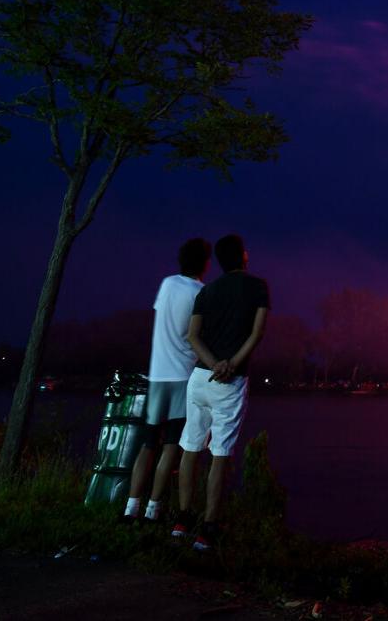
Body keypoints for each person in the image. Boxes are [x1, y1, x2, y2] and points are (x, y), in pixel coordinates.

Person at [172, 234, 269, 552]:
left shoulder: (207, 291)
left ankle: (183, 519)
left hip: (200, 378)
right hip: (230, 382)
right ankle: (209, 528)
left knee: (190, 447)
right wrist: (230, 366)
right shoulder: (258, 287)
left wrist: (213, 363)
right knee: (220, 453)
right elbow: (256, 334)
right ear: (242, 256)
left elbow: (192, 336)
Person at [123, 237, 210, 524]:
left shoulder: (167, 284)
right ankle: (153, 510)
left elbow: (161, 318)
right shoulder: (202, 293)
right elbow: (198, 334)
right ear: (205, 264)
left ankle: (130, 508)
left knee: (148, 444)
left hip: (157, 375)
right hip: (183, 378)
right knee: (171, 447)